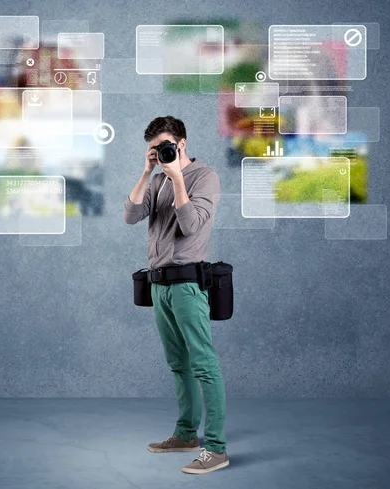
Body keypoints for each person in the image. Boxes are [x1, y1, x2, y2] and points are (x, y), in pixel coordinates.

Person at [123, 116, 229, 475]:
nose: (162, 153)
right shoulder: (155, 180)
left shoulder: (205, 177)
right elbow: (131, 215)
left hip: (187, 285)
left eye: (167, 146)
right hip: (158, 286)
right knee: (177, 364)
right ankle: (186, 434)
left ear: (182, 143)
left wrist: (177, 177)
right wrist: (146, 171)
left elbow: (190, 224)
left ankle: (215, 449)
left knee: (204, 365)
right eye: (156, 148)